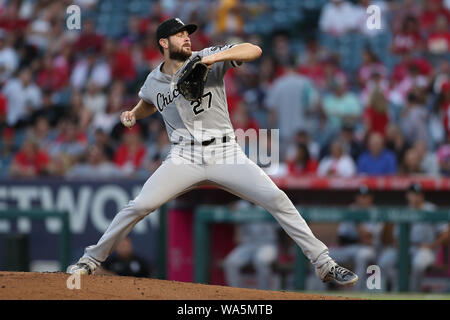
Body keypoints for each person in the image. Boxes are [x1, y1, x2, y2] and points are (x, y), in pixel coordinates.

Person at [67, 18, 358, 287]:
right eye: (179, 35)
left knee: (276, 198)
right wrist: (132, 113)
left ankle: (323, 263)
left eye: (187, 34)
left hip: (225, 151)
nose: (186, 38)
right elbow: (148, 101)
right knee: (140, 206)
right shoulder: (153, 80)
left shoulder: (207, 57)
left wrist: (212, 59)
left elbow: (253, 50)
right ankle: (89, 260)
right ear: (163, 43)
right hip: (184, 156)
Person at [378, 183, 449, 291]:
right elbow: (396, 237)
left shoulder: (431, 209)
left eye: (418, 194)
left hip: (425, 248)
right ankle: (398, 289)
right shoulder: (404, 211)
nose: (415, 197)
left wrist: (433, 245)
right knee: (384, 261)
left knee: (418, 264)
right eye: (413, 194)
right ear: (407, 195)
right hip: (406, 247)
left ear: (422, 196)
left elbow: (446, 232)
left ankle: (413, 293)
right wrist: (398, 244)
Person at [329, 186, 381, 291]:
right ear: (356, 198)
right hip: (350, 247)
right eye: (360, 196)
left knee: (362, 255)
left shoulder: (375, 212)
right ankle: (320, 291)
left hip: (369, 250)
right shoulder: (351, 209)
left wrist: (357, 223)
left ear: (370, 198)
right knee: (323, 256)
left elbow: (368, 240)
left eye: (365, 197)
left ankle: (356, 292)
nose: (363, 199)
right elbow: (341, 237)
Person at [223, 201, 279, 290]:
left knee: (261, 261)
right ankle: (236, 293)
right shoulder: (242, 204)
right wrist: (232, 207)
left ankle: (264, 293)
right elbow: (228, 208)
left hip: (267, 244)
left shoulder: (268, 202)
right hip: (247, 245)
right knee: (230, 263)